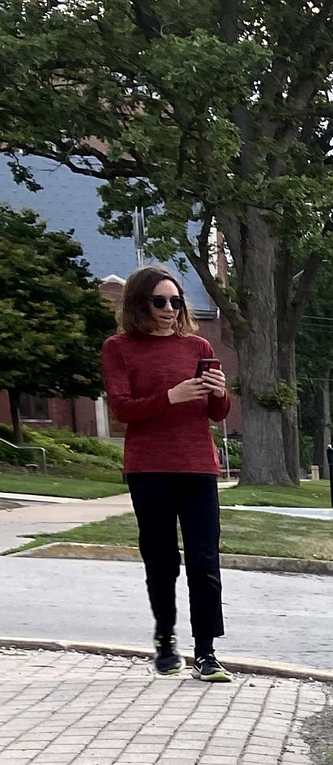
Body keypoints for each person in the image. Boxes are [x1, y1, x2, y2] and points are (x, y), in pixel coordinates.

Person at [100, 267, 231, 681]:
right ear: (140, 303)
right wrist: (171, 397)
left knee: (204, 559)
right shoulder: (118, 348)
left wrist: (220, 393)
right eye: (160, 302)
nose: (170, 309)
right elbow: (121, 409)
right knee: (161, 560)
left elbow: (216, 413)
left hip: (197, 465)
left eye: (176, 301)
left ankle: (206, 653)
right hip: (149, 467)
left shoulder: (197, 345)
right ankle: (165, 642)